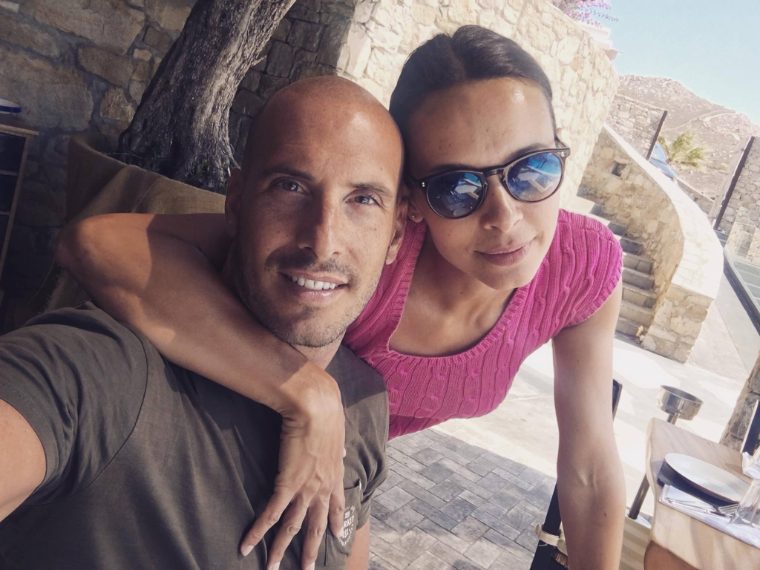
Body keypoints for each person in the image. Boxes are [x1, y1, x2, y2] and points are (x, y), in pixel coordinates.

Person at [58, 26, 626, 568]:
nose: (505, 217)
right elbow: (98, 242)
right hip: (230, 437)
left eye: (533, 170)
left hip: (347, 474)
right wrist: (307, 390)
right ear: (409, 204)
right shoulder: (362, 253)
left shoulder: (581, 266)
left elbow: (590, 471)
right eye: (457, 188)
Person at [0, 76, 407, 570]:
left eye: (363, 199)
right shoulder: (104, 370)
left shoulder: (365, 399)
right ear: (235, 203)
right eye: (290, 186)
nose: (322, 241)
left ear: (395, 236)